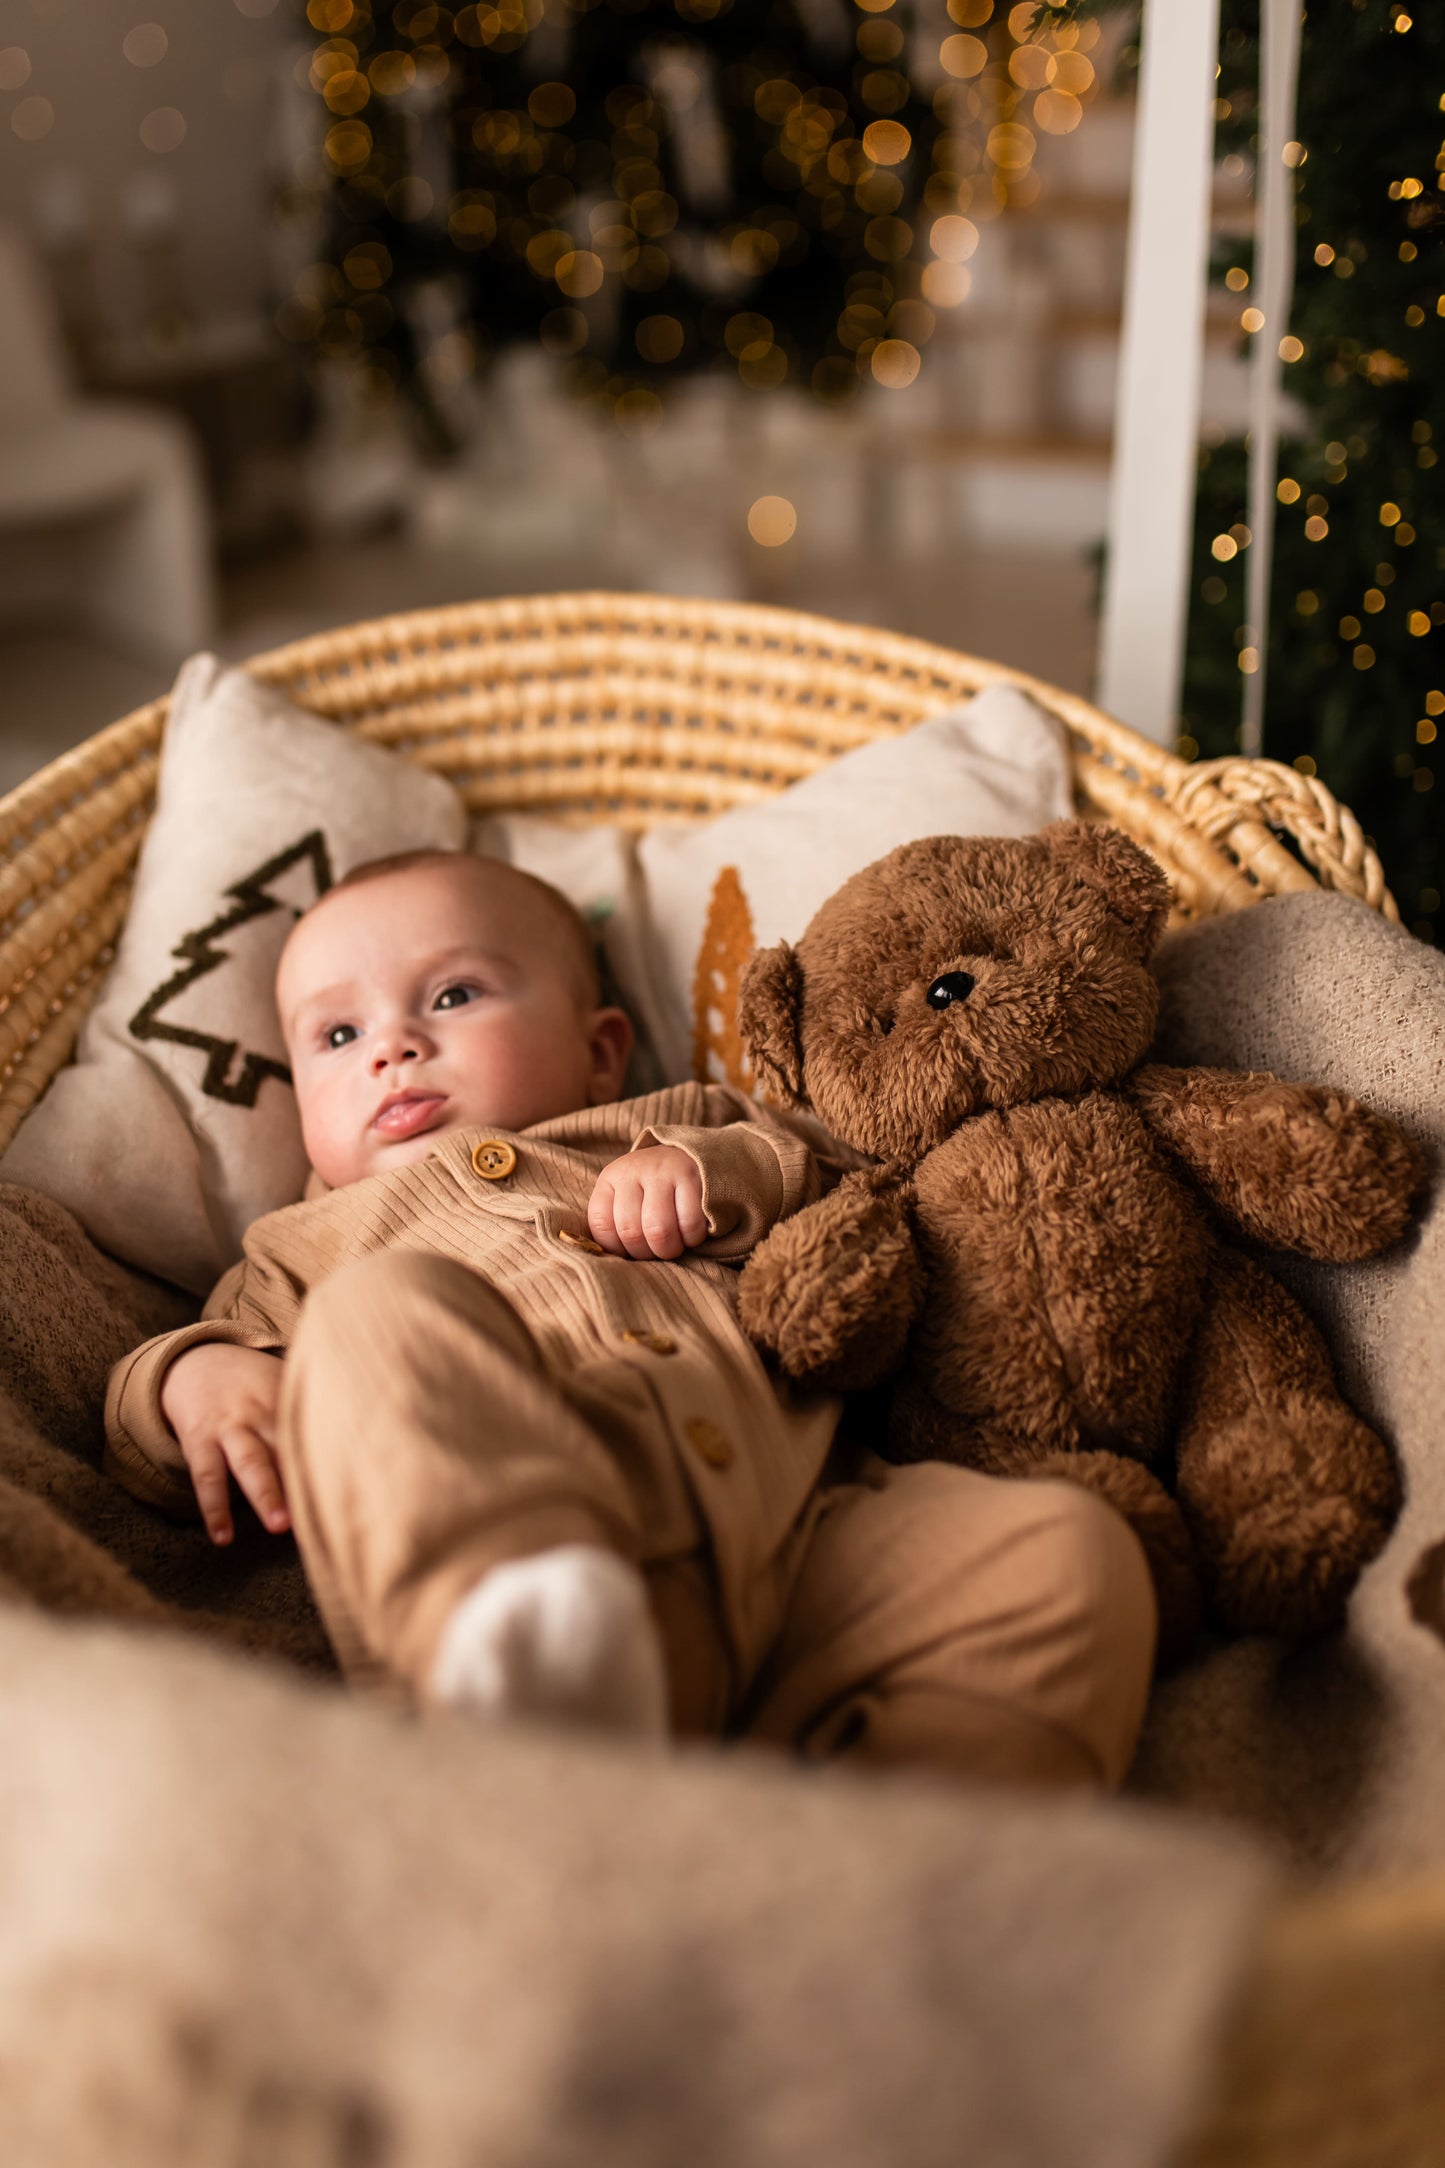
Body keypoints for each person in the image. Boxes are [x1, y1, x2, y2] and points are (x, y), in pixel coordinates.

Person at [105, 850, 1157, 1787]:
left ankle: (894, 1858)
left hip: (803, 1544)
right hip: (543, 1546)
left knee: (1067, 1556)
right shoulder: (300, 1245)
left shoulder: (677, 1121)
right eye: (338, 1033)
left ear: (600, 1048)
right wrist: (187, 1382)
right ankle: (512, 1649)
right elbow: (160, 1431)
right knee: (383, 1316)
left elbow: (846, 1186)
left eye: (454, 993)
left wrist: (710, 1171)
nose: (393, 1047)